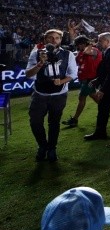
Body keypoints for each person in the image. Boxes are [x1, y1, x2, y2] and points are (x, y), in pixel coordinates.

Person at [25, 28, 78, 161]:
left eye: (57, 38)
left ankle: (52, 148)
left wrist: (62, 81)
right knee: (35, 121)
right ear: (44, 39)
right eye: (50, 37)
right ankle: (42, 146)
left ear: (61, 40)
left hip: (59, 95)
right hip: (39, 94)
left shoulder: (68, 54)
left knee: (54, 123)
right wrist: (40, 63)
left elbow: (73, 74)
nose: (54, 40)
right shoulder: (36, 53)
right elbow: (28, 74)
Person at [85, 32, 110, 141]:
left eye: (100, 40)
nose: (98, 43)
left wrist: (102, 89)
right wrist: (98, 79)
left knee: (104, 109)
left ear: (107, 41)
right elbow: (107, 71)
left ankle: (100, 133)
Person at [62, 35, 101, 127]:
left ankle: (75, 119)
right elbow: (76, 61)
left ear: (83, 44)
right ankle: (105, 108)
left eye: (78, 44)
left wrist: (90, 44)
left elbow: (87, 52)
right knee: (93, 96)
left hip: (90, 79)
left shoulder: (94, 50)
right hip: (83, 79)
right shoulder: (81, 53)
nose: (77, 47)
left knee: (81, 98)